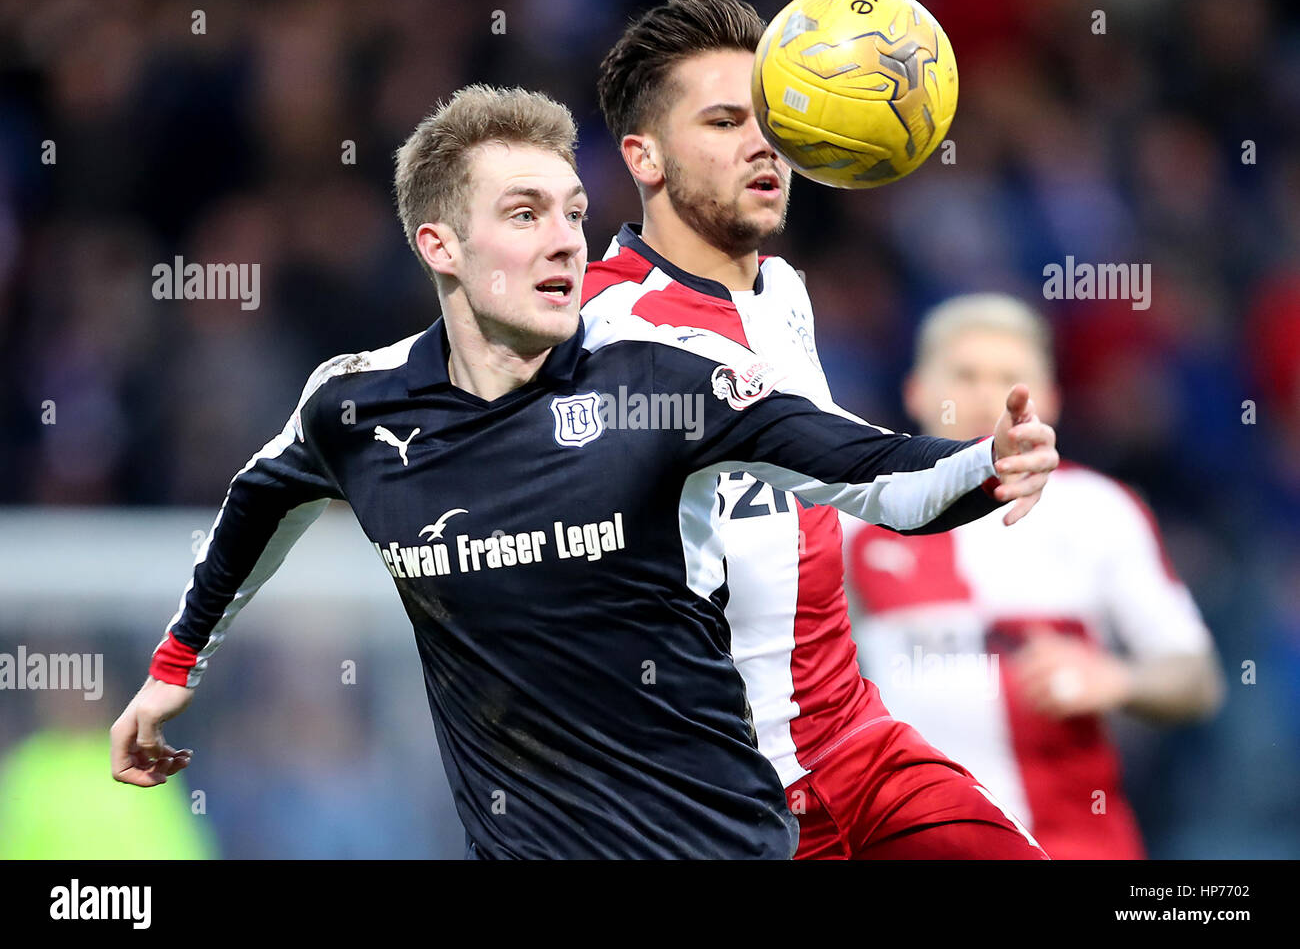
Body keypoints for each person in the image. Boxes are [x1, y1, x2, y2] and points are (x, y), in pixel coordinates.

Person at [109, 84, 1057, 859]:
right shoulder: (356, 407)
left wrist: (987, 463)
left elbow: (869, 473)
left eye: (573, 212)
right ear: (440, 245)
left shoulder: (663, 382)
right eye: (525, 215)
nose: (565, 238)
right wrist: (175, 665)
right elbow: (258, 500)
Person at [585, 0, 1050, 858]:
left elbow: (846, 470)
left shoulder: (784, 292)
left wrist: (990, 458)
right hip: (711, 799)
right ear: (643, 157)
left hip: (855, 744)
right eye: (724, 121)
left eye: (771, 116)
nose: (765, 142)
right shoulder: (592, 329)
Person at [842, 292, 1224, 859]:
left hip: (1074, 846)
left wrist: (1119, 679)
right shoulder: (857, 520)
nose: (986, 396)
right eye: (965, 374)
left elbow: (1198, 680)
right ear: (917, 391)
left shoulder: (1100, 509)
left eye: (1010, 378)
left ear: (1050, 400)